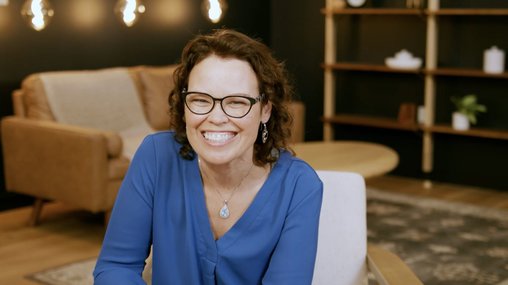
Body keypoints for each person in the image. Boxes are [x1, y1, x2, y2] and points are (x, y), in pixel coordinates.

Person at [93, 29, 323, 285]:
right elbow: (116, 266)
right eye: (201, 100)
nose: (216, 118)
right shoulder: (156, 157)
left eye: (237, 102)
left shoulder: (299, 186)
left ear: (265, 110)